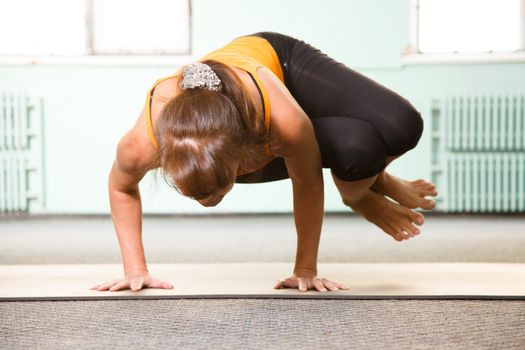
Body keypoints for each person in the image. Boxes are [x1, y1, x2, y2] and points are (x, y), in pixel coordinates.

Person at [90, 32, 438, 294]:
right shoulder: (143, 142)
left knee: (403, 125)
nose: (206, 202)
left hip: (281, 66)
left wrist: (306, 268)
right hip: (250, 131)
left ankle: (364, 190)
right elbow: (121, 186)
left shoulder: (281, 123)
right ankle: (363, 184)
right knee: (357, 147)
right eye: (193, 195)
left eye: (212, 191)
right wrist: (135, 269)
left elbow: (307, 183)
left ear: (242, 155)